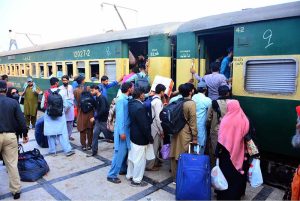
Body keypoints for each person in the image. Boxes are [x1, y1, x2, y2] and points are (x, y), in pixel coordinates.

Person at [215, 100, 249, 200]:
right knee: (237, 175)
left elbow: (221, 139)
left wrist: (217, 152)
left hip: (225, 153)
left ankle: (223, 195)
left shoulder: (225, 120)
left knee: (225, 174)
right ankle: (236, 195)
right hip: (240, 152)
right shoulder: (245, 119)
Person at [0, 80, 28, 200]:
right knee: (12, 164)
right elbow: (21, 120)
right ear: (6, 90)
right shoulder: (13, 102)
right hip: (11, 136)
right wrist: (25, 134)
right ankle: (16, 191)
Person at [170, 83, 198, 182]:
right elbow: (193, 121)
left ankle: (175, 177)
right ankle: (182, 178)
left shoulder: (176, 101)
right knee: (183, 154)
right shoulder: (191, 103)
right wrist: (195, 136)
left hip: (175, 130)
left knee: (174, 153)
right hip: (185, 132)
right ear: (191, 92)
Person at [41, 77, 75, 156]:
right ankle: (67, 150)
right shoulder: (62, 92)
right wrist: (62, 111)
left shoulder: (46, 92)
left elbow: (42, 105)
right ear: (56, 83)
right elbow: (66, 105)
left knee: (51, 134)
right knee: (63, 133)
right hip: (60, 115)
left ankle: (52, 151)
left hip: (49, 116)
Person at [126, 88, 153, 187]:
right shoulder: (140, 107)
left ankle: (130, 175)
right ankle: (136, 180)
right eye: (143, 94)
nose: (144, 96)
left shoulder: (131, 103)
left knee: (132, 157)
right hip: (141, 137)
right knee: (140, 160)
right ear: (140, 95)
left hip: (133, 135)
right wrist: (150, 138)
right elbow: (144, 126)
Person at [107, 82, 133, 184]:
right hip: (122, 131)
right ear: (129, 89)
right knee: (119, 153)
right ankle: (111, 175)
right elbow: (120, 118)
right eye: (132, 87)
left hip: (125, 130)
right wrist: (122, 132)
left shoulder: (126, 98)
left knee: (124, 152)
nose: (133, 89)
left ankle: (122, 169)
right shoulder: (121, 100)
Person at [207, 85, 231, 166]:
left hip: (216, 130)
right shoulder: (233, 103)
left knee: (215, 152)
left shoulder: (214, 103)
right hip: (229, 131)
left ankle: (215, 169)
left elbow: (208, 119)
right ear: (228, 93)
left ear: (218, 93)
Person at [87, 85, 113, 157]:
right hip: (98, 121)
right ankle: (94, 151)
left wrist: (94, 118)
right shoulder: (97, 98)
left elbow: (103, 110)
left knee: (109, 136)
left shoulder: (102, 98)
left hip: (103, 121)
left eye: (92, 91)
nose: (91, 92)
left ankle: (119, 142)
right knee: (95, 135)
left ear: (97, 90)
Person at [146, 84, 166, 171]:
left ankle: (155, 162)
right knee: (154, 147)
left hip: (151, 125)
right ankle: (150, 166)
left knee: (155, 146)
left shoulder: (153, 99)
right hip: (155, 128)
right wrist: (161, 130)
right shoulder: (158, 102)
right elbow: (158, 118)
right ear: (161, 92)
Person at [73, 76, 95, 151]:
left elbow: (75, 102)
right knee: (90, 128)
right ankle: (89, 145)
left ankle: (83, 145)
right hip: (90, 112)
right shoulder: (88, 88)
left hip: (81, 112)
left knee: (82, 129)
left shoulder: (75, 90)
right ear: (82, 81)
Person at [192, 80, 212, 154]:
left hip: (192, 123)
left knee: (193, 143)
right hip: (201, 124)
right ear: (205, 90)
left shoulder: (193, 97)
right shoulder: (207, 100)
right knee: (200, 143)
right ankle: (199, 161)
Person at [59, 75, 75, 141]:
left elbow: (72, 95)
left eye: (66, 80)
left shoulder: (71, 87)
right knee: (64, 122)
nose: (64, 81)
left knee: (70, 123)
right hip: (64, 107)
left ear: (68, 81)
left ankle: (69, 135)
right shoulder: (60, 88)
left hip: (70, 107)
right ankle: (64, 136)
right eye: (63, 80)